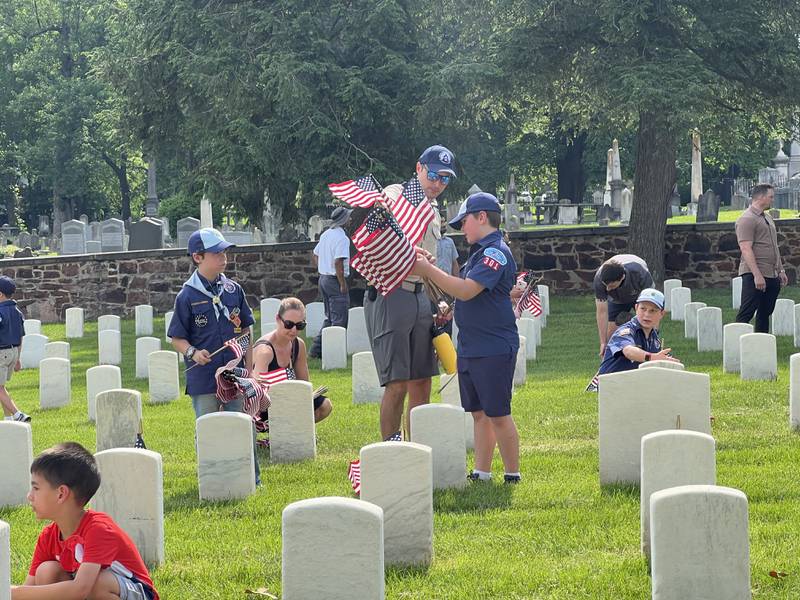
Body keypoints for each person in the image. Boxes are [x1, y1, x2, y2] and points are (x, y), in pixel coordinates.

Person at [411, 192, 521, 484]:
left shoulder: (494, 251)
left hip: (493, 345)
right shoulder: (479, 252)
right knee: (478, 413)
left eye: (465, 222)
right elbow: (470, 296)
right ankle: (482, 472)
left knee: (498, 412)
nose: (462, 229)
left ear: (482, 217)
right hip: (473, 345)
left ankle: (512, 474)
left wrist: (427, 269)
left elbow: (467, 289)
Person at [364, 144, 457, 441]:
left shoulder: (432, 210)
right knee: (397, 383)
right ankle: (391, 451)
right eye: (433, 174)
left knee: (421, 381)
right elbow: (382, 216)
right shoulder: (397, 194)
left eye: (445, 179)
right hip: (392, 292)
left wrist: (438, 298)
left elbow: (426, 263)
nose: (438, 183)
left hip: (420, 296)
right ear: (418, 168)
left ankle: (416, 447)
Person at [167, 227, 259, 482]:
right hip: (204, 376)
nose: (223, 257)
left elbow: (247, 331)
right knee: (207, 426)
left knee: (242, 424)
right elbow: (177, 337)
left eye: (224, 252)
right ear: (198, 257)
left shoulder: (233, 290)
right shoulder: (187, 296)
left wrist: (249, 370)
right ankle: (212, 478)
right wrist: (193, 352)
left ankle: (250, 477)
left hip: (235, 372)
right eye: (216, 253)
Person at [12, 442, 159, 600]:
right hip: (90, 590)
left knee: (96, 584)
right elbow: (29, 588)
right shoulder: (49, 536)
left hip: (136, 592)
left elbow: (80, 590)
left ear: (61, 494)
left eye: (36, 488)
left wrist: (10, 592)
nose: (29, 496)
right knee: (46, 571)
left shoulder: (98, 529)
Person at [252, 297, 332, 423]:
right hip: (264, 406)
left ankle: (297, 432)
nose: (294, 330)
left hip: (290, 400)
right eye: (289, 324)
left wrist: (297, 401)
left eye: (300, 325)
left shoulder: (298, 345)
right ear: (278, 319)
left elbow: (304, 384)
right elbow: (257, 393)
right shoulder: (265, 351)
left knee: (325, 405)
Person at [735, 183, 787, 333]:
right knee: (747, 312)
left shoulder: (768, 217)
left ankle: (761, 344)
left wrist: (781, 269)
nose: (773, 200)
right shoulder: (747, 219)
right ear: (761, 197)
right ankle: (736, 345)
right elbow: (745, 248)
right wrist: (757, 275)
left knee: (765, 312)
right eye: (771, 197)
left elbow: (774, 246)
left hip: (772, 273)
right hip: (754, 273)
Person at [596, 288, 678, 376]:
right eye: (643, 309)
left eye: (652, 311)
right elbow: (628, 351)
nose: (647, 315)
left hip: (633, 384)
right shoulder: (625, 331)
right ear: (636, 308)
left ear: (661, 314)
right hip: (611, 385)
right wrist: (652, 357)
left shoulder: (654, 337)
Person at [308, 207, 352, 358]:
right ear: (344, 220)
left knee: (330, 317)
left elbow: (315, 254)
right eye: (348, 217)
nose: (350, 219)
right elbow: (338, 261)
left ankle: (316, 350)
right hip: (334, 280)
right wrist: (342, 283)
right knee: (339, 318)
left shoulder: (326, 234)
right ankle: (334, 354)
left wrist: (322, 269)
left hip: (324, 279)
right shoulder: (342, 238)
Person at [593, 254, 654, 356]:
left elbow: (652, 306)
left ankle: (648, 355)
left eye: (611, 285)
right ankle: (610, 365)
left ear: (622, 277)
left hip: (640, 295)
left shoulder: (639, 272)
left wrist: (652, 334)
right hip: (616, 299)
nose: (607, 289)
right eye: (605, 285)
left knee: (645, 325)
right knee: (611, 337)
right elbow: (602, 312)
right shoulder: (599, 279)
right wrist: (603, 342)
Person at [0, 275, 29, 422]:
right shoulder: (17, 312)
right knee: (1, 387)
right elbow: (21, 336)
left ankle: (18, 415)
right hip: (12, 352)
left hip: (1, 352)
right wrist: (17, 358)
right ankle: (8, 419)